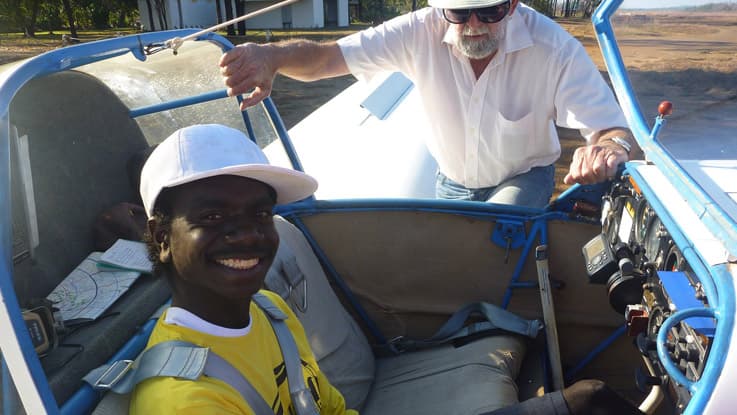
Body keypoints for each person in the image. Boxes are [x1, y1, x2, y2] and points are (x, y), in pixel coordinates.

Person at [219, 0, 641, 208]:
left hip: (523, 176)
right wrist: (273, 56)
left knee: (499, 244)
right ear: (440, 9)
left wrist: (608, 148)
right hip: (450, 180)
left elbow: (612, 129)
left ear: (512, 4)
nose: (474, 26)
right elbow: (329, 57)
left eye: (490, 11)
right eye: (459, 13)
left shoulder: (555, 47)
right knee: (447, 266)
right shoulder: (416, 30)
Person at [129, 124, 356, 414]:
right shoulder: (185, 401)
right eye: (212, 216)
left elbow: (333, 409)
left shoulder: (270, 310)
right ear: (163, 238)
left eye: (261, 214)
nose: (248, 235)